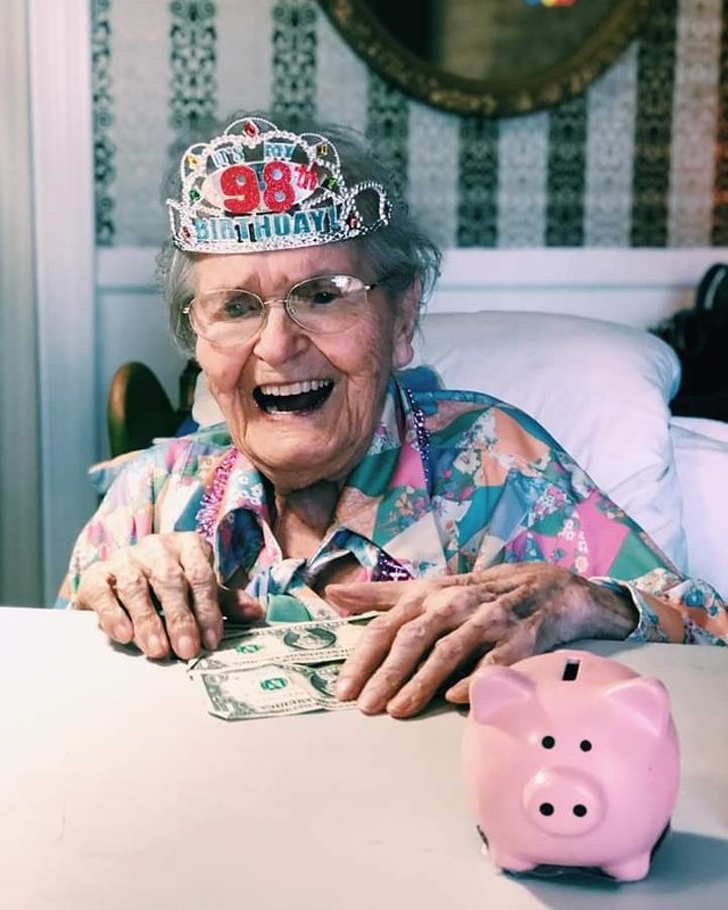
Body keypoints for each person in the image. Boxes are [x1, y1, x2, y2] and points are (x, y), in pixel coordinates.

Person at [57, 112, 727, 719]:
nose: (277, 346)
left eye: (322, 295)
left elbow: (710, 633)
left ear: (401, 317)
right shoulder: (153, 489)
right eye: (235, 308)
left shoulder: (496, 463)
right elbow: (57, 699)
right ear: (199, 340)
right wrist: (103, 611)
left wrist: (585, 600)